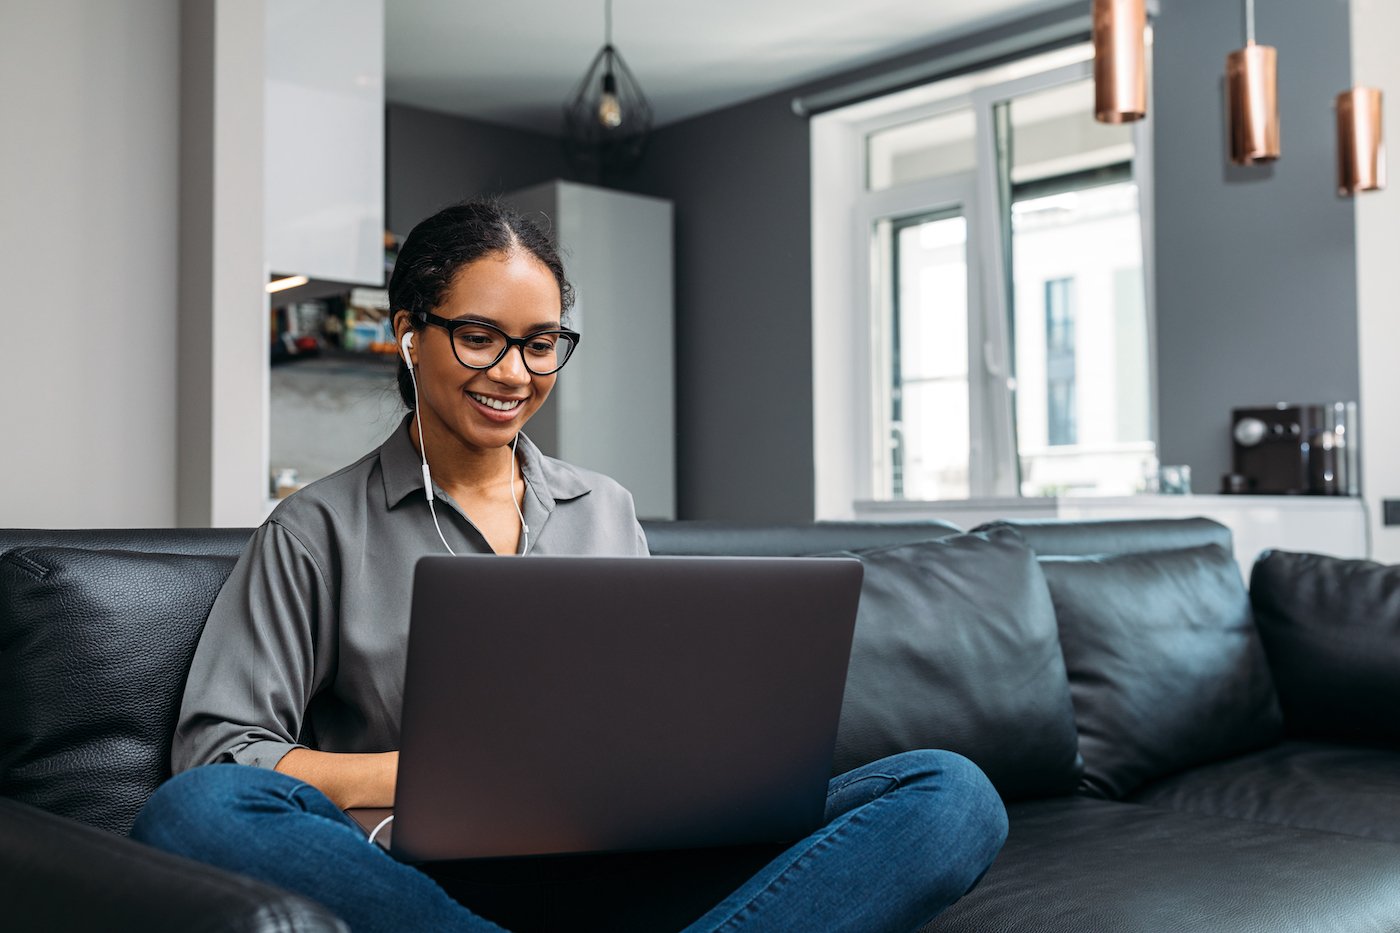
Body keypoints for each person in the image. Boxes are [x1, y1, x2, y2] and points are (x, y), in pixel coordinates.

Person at [131, 200, 1008, 932]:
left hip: (632, 860)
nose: (513, 372)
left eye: (541, 342)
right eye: (479, 336)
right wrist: (444, 773)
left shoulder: (605, 507)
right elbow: (220, 754)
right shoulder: (314, 528)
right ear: (408, 335)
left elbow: (654, 718)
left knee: (952, 793)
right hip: (428, 889)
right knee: (193, 815)